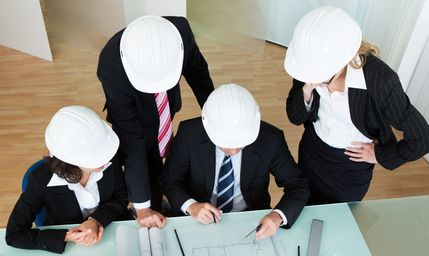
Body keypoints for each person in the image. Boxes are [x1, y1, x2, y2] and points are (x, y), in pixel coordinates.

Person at [284, 6, 429, 205]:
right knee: (303, 208)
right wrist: (307, 90)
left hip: (349, 170)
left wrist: (380, 156)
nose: (311, 76)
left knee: (338, 222)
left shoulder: (380, 80)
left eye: (319, 75)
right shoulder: (310, 64)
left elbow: (422, 138)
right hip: (312, 154)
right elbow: (295, 117)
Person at [97, 15, 214, 228]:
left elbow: (198, 74)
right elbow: (132, 143)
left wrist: (215, 114)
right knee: (147, 165)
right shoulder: (110, 65)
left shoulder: (181, 32)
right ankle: (156, 207)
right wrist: (143, 207)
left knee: (175, 161)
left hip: (166, 107)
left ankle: (180, 202)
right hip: (136, 121)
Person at [160, 84, 310, 239]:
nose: (233, 152)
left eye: (240, 144)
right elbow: (169, 179)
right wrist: (191, 206)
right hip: (197, 220)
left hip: (251, 220)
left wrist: (278, 216)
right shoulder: (189, 133)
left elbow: (298, 185)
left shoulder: (271, 139)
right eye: (225, 144)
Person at [6, 106, 131, 254]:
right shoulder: (39, 181)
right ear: (70, 159)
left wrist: (95, 221)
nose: (105, 159)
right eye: (96, 156)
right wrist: (67, 236)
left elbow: (121, 197)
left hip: (111, 232)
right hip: (70, 248)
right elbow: (14, 235)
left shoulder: (108, 158)